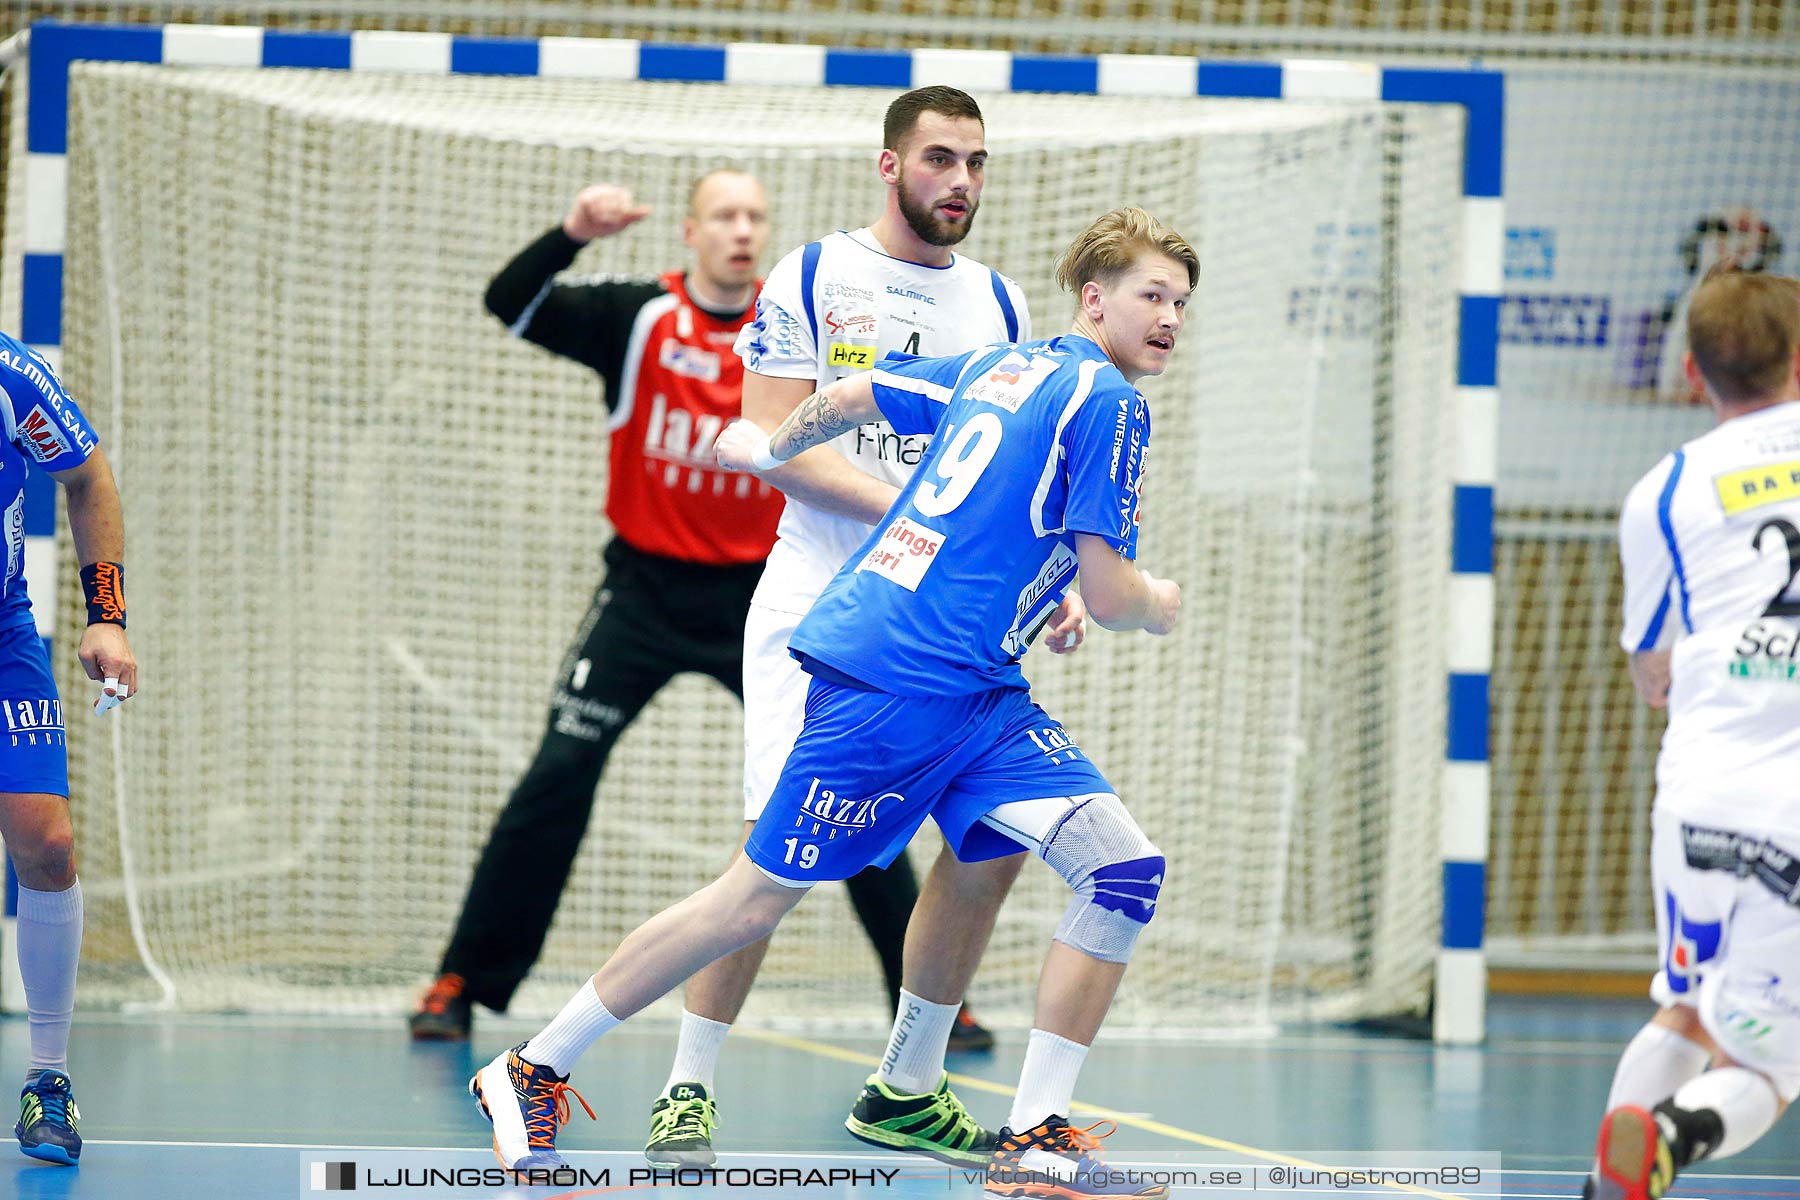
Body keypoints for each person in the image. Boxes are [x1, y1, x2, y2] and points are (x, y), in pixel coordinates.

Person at [469, 206, 1193, 1200]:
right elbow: (1114, 597)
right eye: (1153, 295)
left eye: (1182, 304)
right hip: (896, 679)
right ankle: (530, 1068)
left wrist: (769, 446)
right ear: (1095, 298)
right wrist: (1157, 604)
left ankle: (1028, 1135)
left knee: (1118, 867)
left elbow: (856, 393)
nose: (1169, 318)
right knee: (754, 898)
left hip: (979, 689)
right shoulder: (1110, 403)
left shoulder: (1000, 366)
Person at [637, 84, 1055, 1169]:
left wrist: (1044, 582)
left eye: (974, 161)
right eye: (938, 160)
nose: (959, 180)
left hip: (944, 620)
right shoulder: (816, 275)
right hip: (816, 598)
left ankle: (910, 1077)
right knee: (773, 856)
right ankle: (688, 1084)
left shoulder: (1003, 306)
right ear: (890, 165)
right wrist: (912, 513)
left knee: (990, 835)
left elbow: (1006, 478)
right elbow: (768, 437)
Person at [408, 171, 788, 1039]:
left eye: (755, 216)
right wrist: (572, 231)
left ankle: (929, 1015)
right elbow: (507, 300)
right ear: (690, 232)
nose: (741, 230)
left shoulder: (790, 332)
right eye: (724, 215)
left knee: (828, 786)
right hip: (643, 596)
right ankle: (460, 982)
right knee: (557, 775)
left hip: (758, 601)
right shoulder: (635, 317)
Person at [1589, 268, 1800, 1200]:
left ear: (1691, 371)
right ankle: (1675, 1133)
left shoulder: (1664, 491)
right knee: (1768, 1067)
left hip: (1702, 795)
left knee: (1687, 1006)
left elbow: (1654, 674)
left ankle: (1607, 1188)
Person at [0, 329, 139, 1165]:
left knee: (48, 847)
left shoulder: (9, 374)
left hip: (3, 640)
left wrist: (108, 616)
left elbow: (86, 475)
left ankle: (47, 1080)